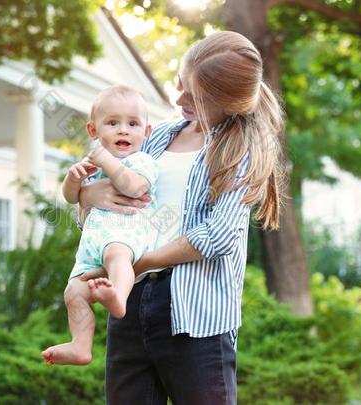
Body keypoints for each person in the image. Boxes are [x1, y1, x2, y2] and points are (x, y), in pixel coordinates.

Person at [77, 31, 285, 404]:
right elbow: (111, 199)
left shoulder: (239, 150)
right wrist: (87, 195)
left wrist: (139, 261)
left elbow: (219, 236)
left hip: (196, 315)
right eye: (179, 85)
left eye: (194, 96)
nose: (178, 100)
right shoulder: (157, 137)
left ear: (228, 102)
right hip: (131, 301)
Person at [41, 85, 158, 366]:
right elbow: (72, 198)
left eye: (133, 124)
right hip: (92, 246)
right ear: (93, 131)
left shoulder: (142, 161)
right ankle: (80, 345)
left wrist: (106, 161)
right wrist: (74, 179)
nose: (123, 130)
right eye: (113, 123)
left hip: (127, 233)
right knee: (74, 291)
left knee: (117, 256)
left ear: (146, 131)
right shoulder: (93, 165)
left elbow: (134, 187)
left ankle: (118, 296)